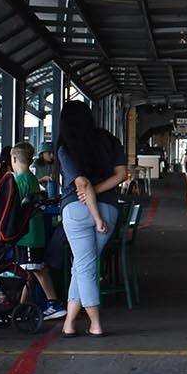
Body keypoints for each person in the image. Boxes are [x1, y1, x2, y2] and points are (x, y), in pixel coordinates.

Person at [56, 101, 128, 337]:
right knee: (82, 265)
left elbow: (82, 184)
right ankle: (69, 323)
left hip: (76, 210)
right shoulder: (108, 139)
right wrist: (98, 192)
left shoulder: (65, 147)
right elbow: (121, 175)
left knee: (85, 266)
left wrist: (90, 192)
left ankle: (95, 324)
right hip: (108, 209)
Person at [11, 143, 63, 320]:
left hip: (27, 235)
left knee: (37, 269)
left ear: (14, 159)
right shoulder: (32, 179)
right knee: (29, 272)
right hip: (36, 232)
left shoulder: (19, 180)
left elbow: (13, 206)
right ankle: (20, 308)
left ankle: (53, 302)